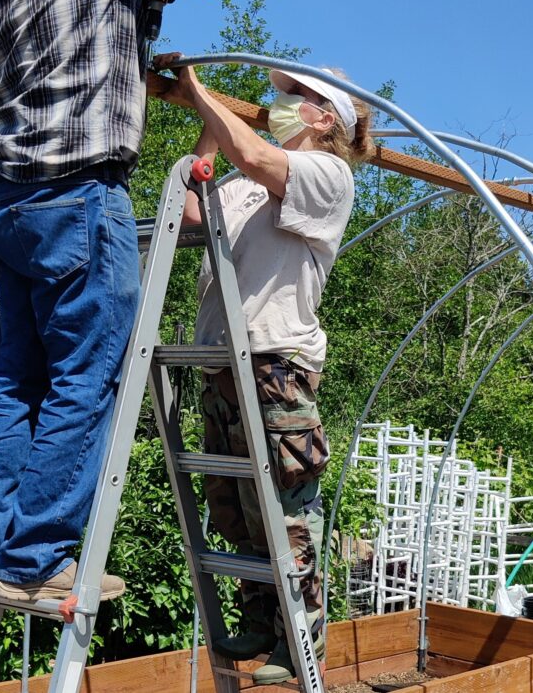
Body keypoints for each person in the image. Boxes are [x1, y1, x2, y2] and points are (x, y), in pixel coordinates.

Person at [0, 0, 219, 606]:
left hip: (8, 199)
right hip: (76, 191)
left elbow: (91, 42)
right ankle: (37, 559)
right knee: (89, 372)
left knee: (15, 382)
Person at [148, 54, 373, 684]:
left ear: (325, 117)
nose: (282, 102)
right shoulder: (248, 182)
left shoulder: (326, 174)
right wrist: (209, 122)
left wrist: (198, 92)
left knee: (284, 509)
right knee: (238, 507)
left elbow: (252, 155)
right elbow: (192, 210)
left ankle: (299, 638)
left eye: (296, 94)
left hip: (276, 363)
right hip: (222, 359)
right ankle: (260, 618)